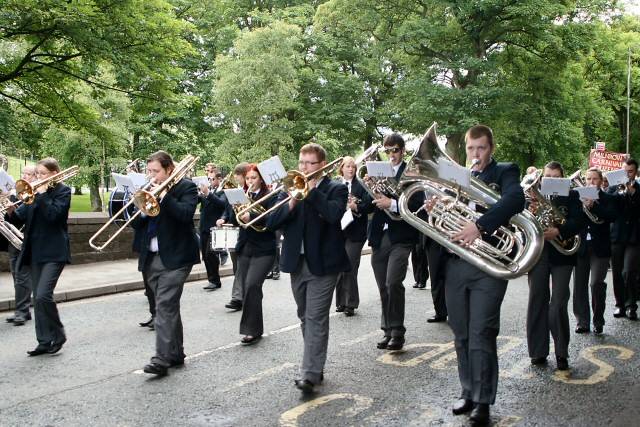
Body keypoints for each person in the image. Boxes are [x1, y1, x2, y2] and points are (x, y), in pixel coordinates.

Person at [431, 125, 526, 425]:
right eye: (471, 149)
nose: (475, 154)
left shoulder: (505, 172)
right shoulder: (459, 175)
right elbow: (444, 210)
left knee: (481, 333)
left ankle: (483, 400)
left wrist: (480, 226)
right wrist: (435, 205)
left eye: (481, 148)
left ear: (491, 148)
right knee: (460, 334)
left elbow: (515, 200)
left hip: (488, 266)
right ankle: (468, 390)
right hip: (457, 264)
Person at [267, 143, 350, 394]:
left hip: (324, 265)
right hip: (297, 263)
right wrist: (291, 202)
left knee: (315, 317)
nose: (303, 168)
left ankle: (309, 373)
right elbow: (272, 221)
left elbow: (334, 215)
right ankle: (315, 365)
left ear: (321, 165)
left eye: (309, 163)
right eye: (301, 163)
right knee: (304, 315)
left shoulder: (335, 188)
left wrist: (312, 191)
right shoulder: (291, 188)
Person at [130, 151, 200, 376]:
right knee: (168, 307)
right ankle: (176, 353)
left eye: (156, 171)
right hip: (151, 257)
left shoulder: (186, 187)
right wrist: (142, 209)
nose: (151, 176)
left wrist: (164, 197)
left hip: (177, 257)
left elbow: (186, 214)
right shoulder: (148, 190)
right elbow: (136, 226)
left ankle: (160, 359)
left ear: (169, 169)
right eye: (149, 171)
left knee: (164, 306)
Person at [9, 158, 71, 356]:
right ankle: (44, 341)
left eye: (42, 174)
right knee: (38, 298)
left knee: (44, 295)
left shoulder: (63, 191)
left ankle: (58, 333)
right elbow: (19, 217)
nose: (38, 178)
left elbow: (54, 216)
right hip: (35, 251)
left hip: (54, 251)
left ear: (54, 173)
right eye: (37, 173)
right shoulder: (33, 193)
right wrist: (8, 207)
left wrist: (42, 194)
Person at [366, 133, 421, 351]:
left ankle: (398, 330)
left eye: (395, 150)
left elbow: (416, 202)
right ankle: (387, 329)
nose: (391, 155)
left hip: (402, 235)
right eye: (387, 151)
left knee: (393, 282)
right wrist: (369, 190)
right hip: (380, 235)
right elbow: (368, 205)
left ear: (403, 150)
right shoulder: (379, 171)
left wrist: (392, 203)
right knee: (382, 286)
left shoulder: (411, 173)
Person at [527, 161, 583, 372]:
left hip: (563, 254)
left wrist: (559, 232)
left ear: (562, 178)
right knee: (536, 300)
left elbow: (579, 222)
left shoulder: (573, 196)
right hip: (540, 253)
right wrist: (531, 212)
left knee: (558, 302)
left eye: (555, 177)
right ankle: (538, 352)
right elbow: (524, 223)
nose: (550, 180)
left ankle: (561, 352)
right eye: (547, 176)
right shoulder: (532, 196)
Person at [232, 164, 277, 344]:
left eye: (254, 178)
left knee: (252, 285)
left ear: (261, 179)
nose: (250, 181)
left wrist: (251, 216)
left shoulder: (270, 196)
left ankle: (250, 330)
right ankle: (255, 328)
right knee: (248, 288)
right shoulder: (243, 196)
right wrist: (234, 210)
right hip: (245, 247)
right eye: (248, 178)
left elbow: (273, 219)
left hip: (264, 249)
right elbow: (234, 220)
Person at [572, 168, 616, 334]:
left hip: (600, 247)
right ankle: (582, 321)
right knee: (579, 285)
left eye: (594, 179)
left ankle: (598, 319)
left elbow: (612, 216)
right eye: (588, 179)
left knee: (596, 283)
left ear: (601, 180)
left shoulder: (608, 198)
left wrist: (594, 206)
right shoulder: (578, 198)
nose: (591, 182)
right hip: (582, 246)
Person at [335, 156, 371, 317]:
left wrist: (355, 205)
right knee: (339, 266)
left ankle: (351, 303)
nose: (351, 169)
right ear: (341, 168)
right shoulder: (336, 185)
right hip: (338, 230)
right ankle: (341, 302)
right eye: (348, 166)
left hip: (356, 231)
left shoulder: (361, 185)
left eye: (353, 166)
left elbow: (369, 205)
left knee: (350, 265)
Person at [607, 158, 640, 320]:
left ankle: (631, 305)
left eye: (630, 172)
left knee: (629, 271)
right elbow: (607, 203)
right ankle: (620, 304)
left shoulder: (638, 189)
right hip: (617, 235)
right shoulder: (613, 189)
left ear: (636, 172)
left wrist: (632, 192)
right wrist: (615, 190)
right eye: (624, 171)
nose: (627, 175)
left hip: (634, 237)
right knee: (617, 273)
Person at [4, 165, 36, 326]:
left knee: (22, 276)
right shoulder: (16, 194)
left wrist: (14, 210)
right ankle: (22, 308)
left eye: (28, 174)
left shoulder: (36, 194)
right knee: (16, 274)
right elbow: (13, 219)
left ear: (35, 176)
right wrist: (9, 209)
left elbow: (26, 214)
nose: (25, 176)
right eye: (23, 173)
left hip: (28, 239)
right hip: (13, 240)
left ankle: (22, 311)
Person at [221, 162, 249, 311]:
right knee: (236, 266)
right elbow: (226, 210)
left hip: (245, 231)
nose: (236, 178)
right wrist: (223, 218)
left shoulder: (249, 191)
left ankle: (237, 297)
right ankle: (243, 295)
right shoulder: (235, 190)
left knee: (241, 267)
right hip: (234, 230)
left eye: (238, 175)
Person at [199, 170, 227, 291]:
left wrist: (208, 193)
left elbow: (222, 204)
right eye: (208, 179)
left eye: (212, 179)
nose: (210, 181)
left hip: (215, 228)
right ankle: (212, 280)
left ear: (219, 179)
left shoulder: (223, 190)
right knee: (205, 256)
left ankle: (216, 280)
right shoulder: (207, 192)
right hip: (204, 227)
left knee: (210, 254)